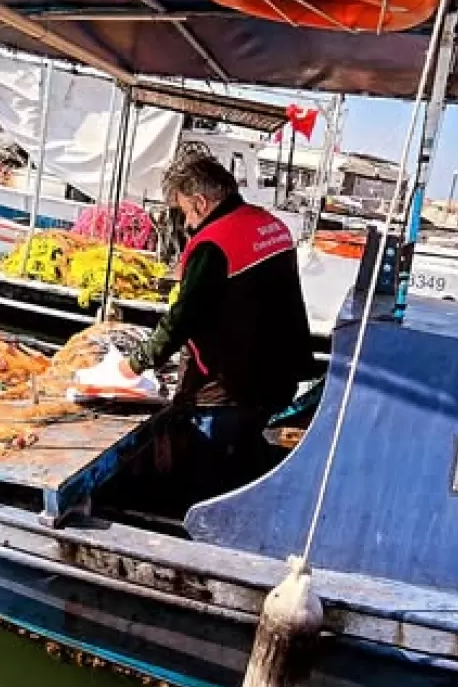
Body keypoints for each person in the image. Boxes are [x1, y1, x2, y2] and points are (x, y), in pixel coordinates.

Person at [123, 153, 315, 508]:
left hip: (231, 387)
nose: (186, 223)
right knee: (245, 458)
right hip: (279, 376)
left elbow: (184, 317)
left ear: (200, 201)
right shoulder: (271, 225)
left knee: (211, 472)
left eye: (184, 212)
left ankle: (202, 534)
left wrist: (136, 363)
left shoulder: (214, 243)